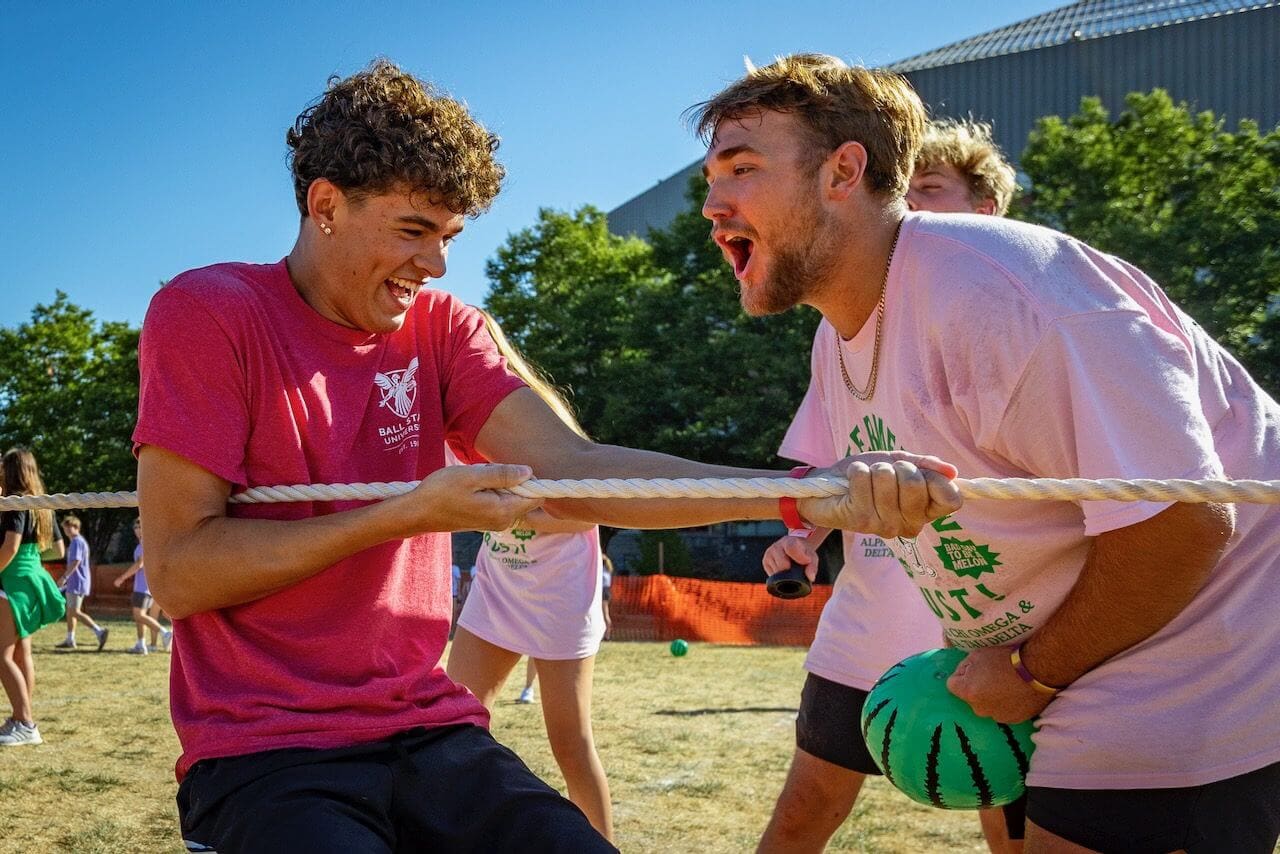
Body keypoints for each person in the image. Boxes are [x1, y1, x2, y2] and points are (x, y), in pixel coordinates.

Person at [133, 59, 961, 853]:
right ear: (325, 205)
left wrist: (804, 495)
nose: (437, 263)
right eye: (414, 230)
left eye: (450, 235)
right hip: (264, 753)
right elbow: (181, 572)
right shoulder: (209, 312)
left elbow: (576, 467)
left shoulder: (443, 328)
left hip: (431, 729)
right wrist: (405, 515)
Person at [695, 54, 1280, 853]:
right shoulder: (839, 336)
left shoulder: (1005, 296)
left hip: (1207, 629)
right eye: (710, 177)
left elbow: (1185, 524)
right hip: (1082, 641)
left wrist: (1031, 671)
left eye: (743, 168)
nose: (711, 203)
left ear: (843, 171)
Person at [757, 117, 1025, 854]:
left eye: (930, 190)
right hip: (869, 622)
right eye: (901, 193)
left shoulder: (1017, 308)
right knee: (804, 809)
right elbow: (826, 464)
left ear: (986, 213)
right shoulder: (838, 325)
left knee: (1012, 825)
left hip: (998, 624)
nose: (908, 208)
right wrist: (801, 537)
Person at [447, 310, 615, 841]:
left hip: (561, 593)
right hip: (500, 584)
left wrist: (515, 512)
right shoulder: (449, 418)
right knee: (451, 726)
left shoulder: (535, 413)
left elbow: (591, 510)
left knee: (570, 743)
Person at [0, 448, 66, 746]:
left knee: (2, 656)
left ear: (11, 470)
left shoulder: (15, 502)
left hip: (12, 581)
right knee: (20, 653)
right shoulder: (42, 503)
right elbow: (58, 550)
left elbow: (10, 547)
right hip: (31, 576)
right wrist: (31, 559)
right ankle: (21, 717)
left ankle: (25, 722)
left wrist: (19, 560)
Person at [113, 519, 172, 655]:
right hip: (143, 587)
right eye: (135, 526)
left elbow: (139, 564)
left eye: (140, 526)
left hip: (143, 588)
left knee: (139, 615)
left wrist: (122, 578)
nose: (137, 528)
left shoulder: (145, 544)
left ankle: (164, 633)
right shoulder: (142, 544)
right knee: (140, 616)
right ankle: (141, 644)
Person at [54, 514, 109, 651]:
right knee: (71, 611)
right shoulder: (76, 542)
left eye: (68, 527)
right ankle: (70, 639)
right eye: (65, 528)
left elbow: (76, 561)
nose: (66, 531)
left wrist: (64, 578)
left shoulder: (77, 542)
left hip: (77, 582)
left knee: (74, 611)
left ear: (75, 527)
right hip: (75, 582)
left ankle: (99, 631)